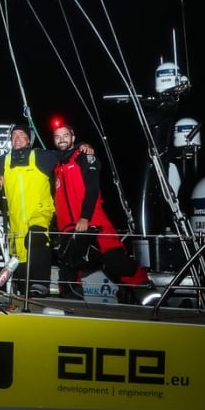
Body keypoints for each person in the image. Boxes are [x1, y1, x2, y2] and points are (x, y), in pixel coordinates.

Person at [51, 121, 151, 300]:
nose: (62, 139)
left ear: (73, 138)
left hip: (92, 221)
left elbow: (92, 188)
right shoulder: (57, 166)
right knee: (69, 268)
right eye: (58, 137)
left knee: (115, 260)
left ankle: (148, 292)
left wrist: (85, 217)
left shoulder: (84, 157)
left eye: (66, 135)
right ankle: (70, 303)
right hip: (67, 227)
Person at [0, 122, 56, 295]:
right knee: (21, 258)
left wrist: (81, 147)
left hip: (40, 212)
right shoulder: (5, 159)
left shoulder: (41, 156)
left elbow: (66, 155)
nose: (17, 138)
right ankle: (25, 293)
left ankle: (41, 285)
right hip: (17, 222)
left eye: (21, 135)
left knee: (37, 236)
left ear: (29, 140)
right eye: (14, 136)